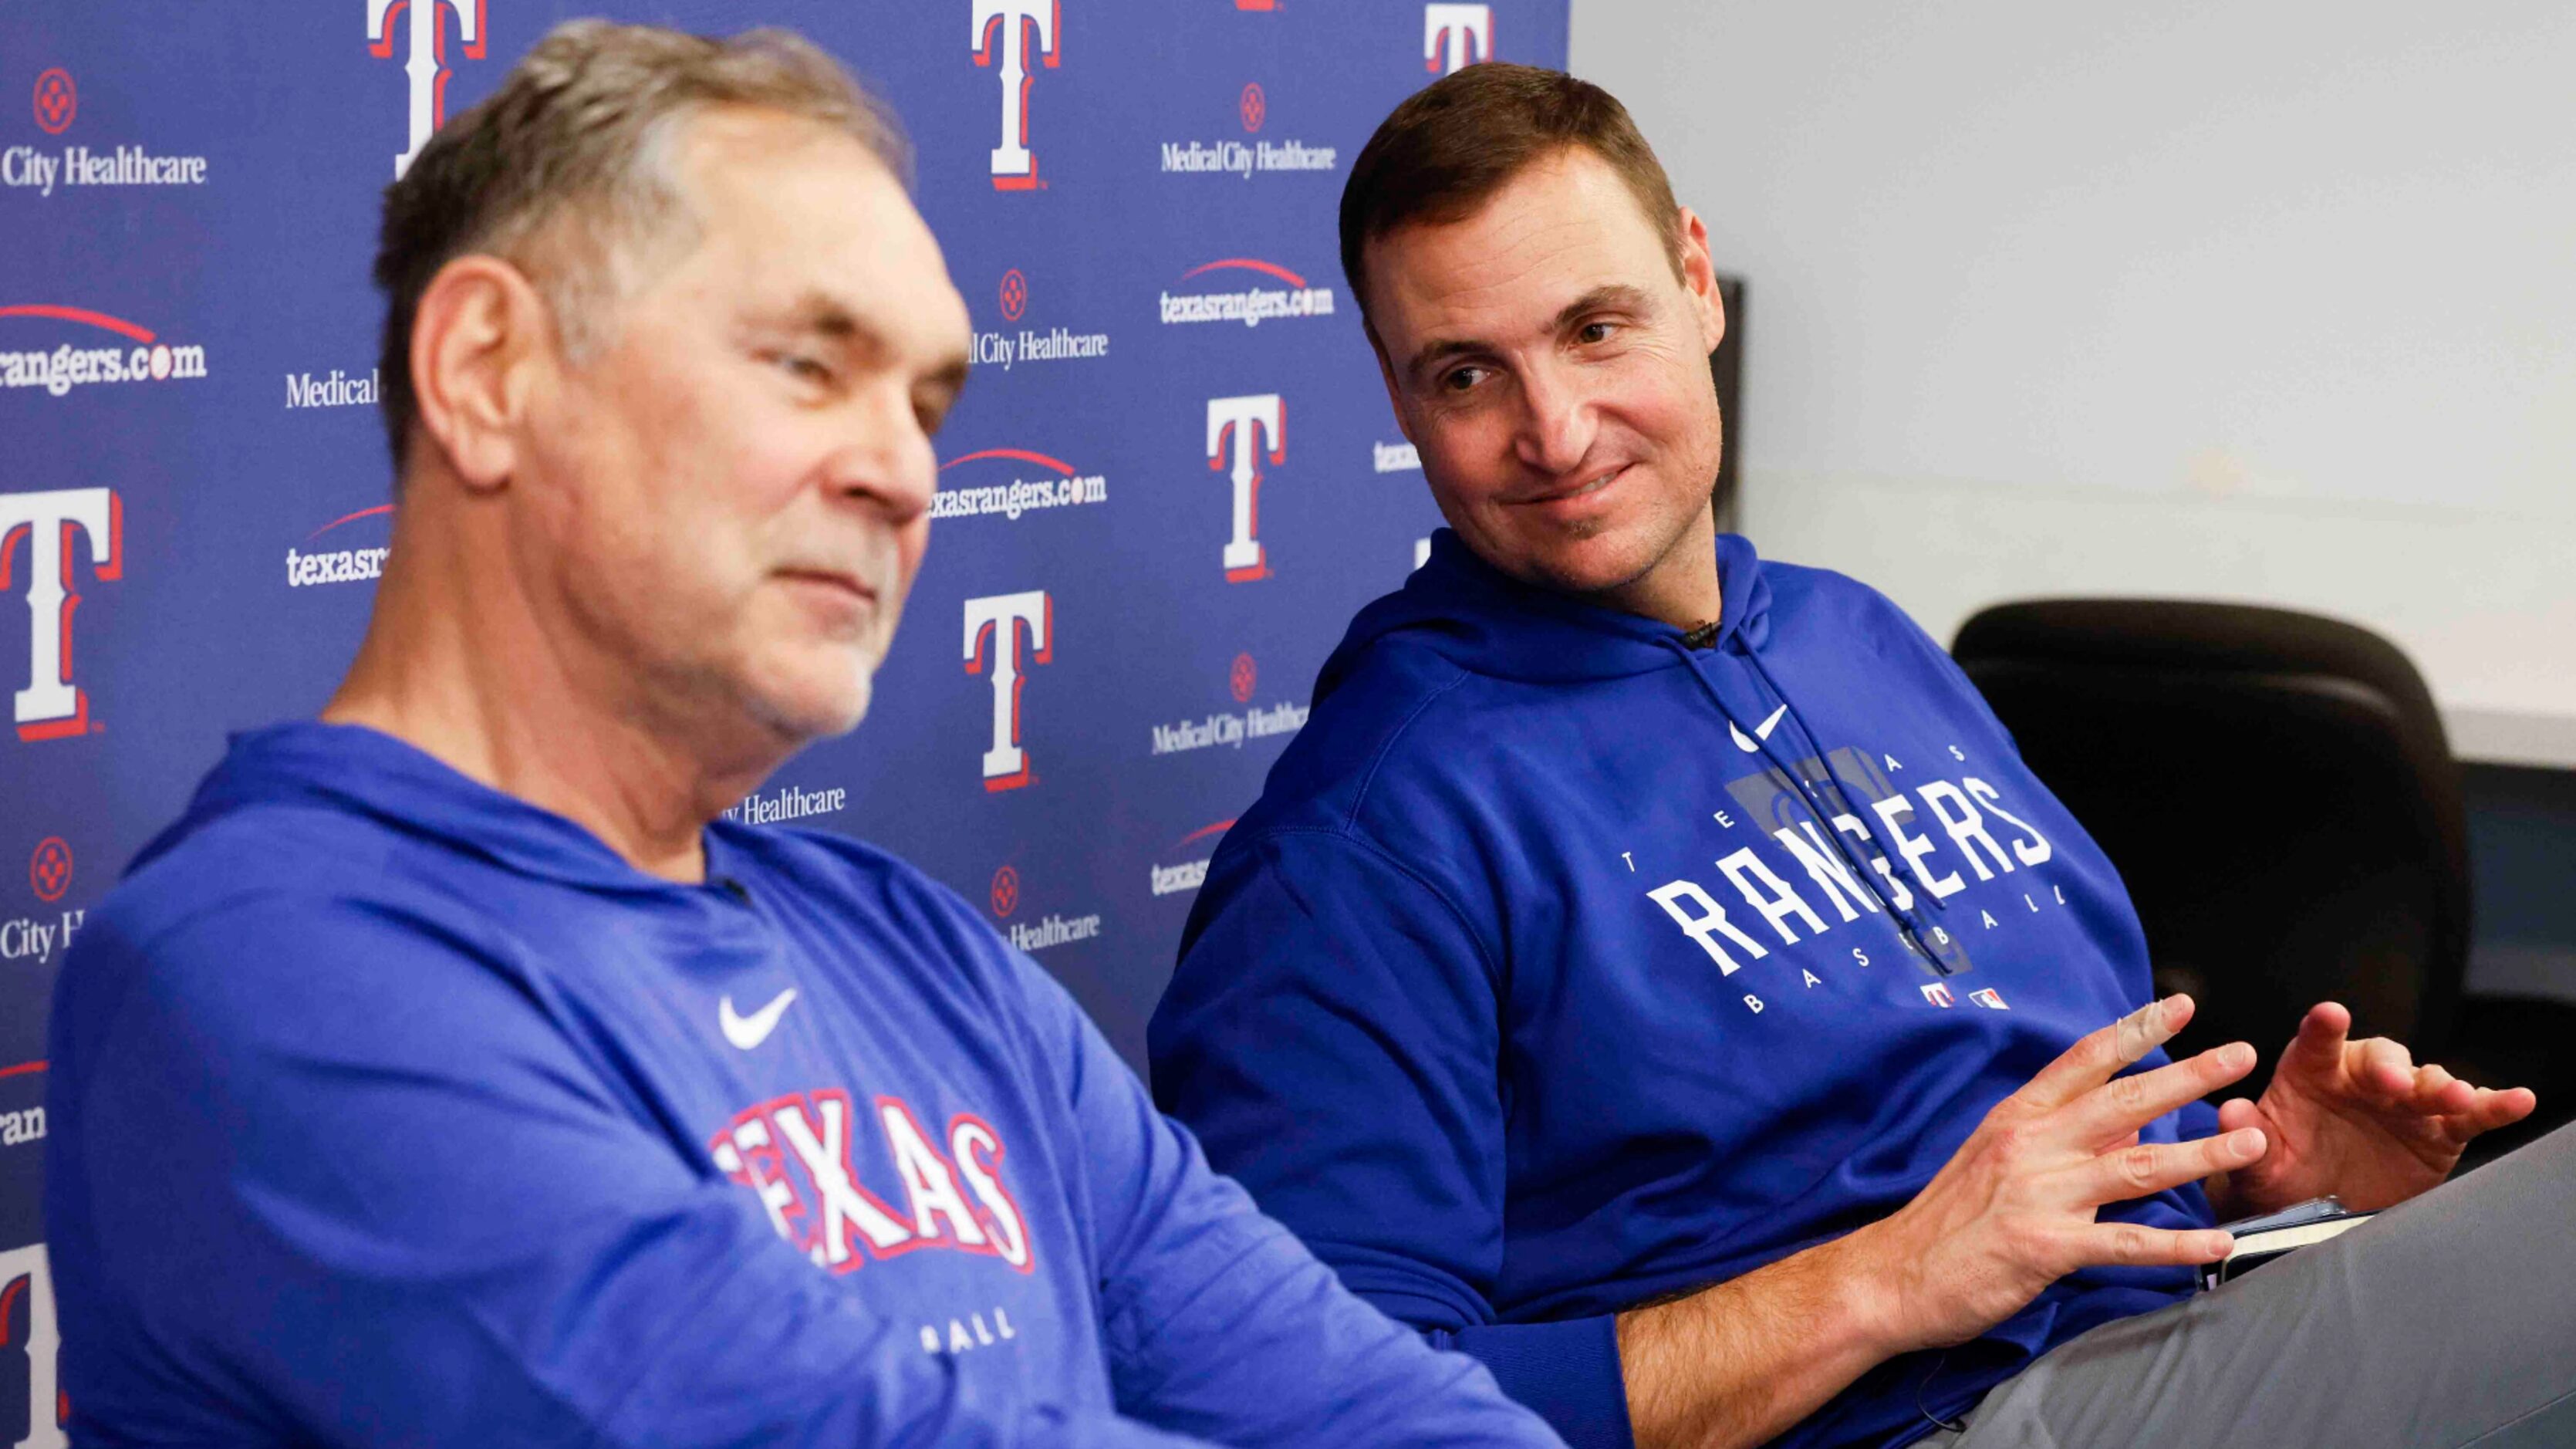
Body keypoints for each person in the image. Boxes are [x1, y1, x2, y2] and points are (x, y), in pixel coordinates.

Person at [41, 24, 1565, 1448]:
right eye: (806, 365)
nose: (904, 473)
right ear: (487, 373)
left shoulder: (910, 948)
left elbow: (1368, 1400)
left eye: (926, 403)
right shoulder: (269, 975)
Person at [1149, 62, 2569, 1449]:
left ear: (1695, 283)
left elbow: (2025, 1169)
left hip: (2164, 1329)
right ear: (1401, 402)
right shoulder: (1367, 840)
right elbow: (1315, 1413)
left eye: (1596, 329)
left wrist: (2256, 1190)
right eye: (1467, 374)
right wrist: (1889, 1278)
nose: (1556, 433)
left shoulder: (1852, 636)